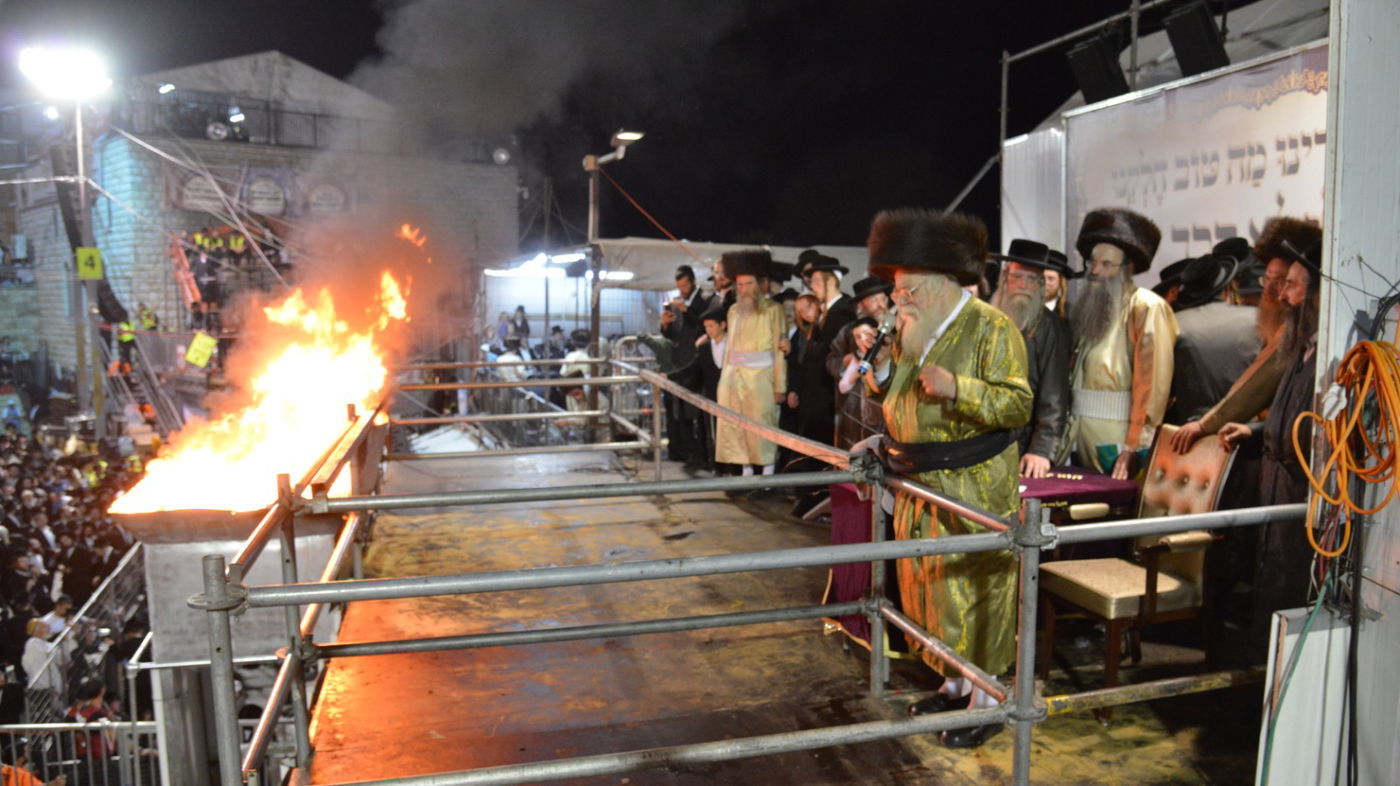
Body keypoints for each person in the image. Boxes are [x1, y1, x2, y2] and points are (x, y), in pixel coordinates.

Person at [861, 208, 1031, 748]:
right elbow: (889, 391)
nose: (898, 300)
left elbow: (1018, 404)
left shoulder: (992, 327)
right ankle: (953, 682)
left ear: (938, 284)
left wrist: (959, 388)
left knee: (976, 589)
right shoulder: (912, 329)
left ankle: (989, 697)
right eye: (896, 290)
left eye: (907, 290)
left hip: (972, 485)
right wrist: (879, 373)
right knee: (931, 587)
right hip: (917, 483)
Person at [1217, 233, 1323, 662]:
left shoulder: (1329, 356)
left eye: (1292, 286)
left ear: (1316, 295)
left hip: (1299, 495)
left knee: (1288, 586)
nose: (1283, 296)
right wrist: (1255, 431)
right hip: (1274, 486)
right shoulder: (1299, 347)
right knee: (1268, 582)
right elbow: (1287, 418)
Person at [1066, 207, 1178, 479]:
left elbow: (1153, 385)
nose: (1095, 271)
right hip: (1076, 435)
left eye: (1106, 264)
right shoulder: (1090, 306)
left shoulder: (1146, 306)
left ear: (1127, 268)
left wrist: (1134, 447)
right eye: (1092, 262)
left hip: (1116, 441)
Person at [990, 240, 1072, 478]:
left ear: (1040, 285)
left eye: (1032, 279)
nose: (1023, 285)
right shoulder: (987, 317)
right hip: (983, 442)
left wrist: (1042, 449)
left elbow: (1054, 393)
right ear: (1005, 277)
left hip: (1023, 444)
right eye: (1017, 277)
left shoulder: (1048, 326)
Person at [1165, 243, 1260, 425]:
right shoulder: (1256, 319)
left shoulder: (1173, 324)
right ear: (1227, 288)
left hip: (1189, 430)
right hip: (1247, 427)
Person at [713, 250, 786, 488]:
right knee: (738, 426)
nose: (744, 289)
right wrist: (724, 380)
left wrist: (780, 385)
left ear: (759, 284)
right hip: (734, 377)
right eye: (740, 284)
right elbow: (729, 348)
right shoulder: (733, 311)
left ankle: (767, 479)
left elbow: (779, 351)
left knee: (763, 426)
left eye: (748, 284)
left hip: (762, 378)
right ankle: (745, 475)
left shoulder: (774, 310)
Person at [660, 265, 712, 468]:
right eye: (679, 286)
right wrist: (665, 324)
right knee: (680, 409)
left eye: (684, 285)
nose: (682, 290)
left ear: (692, 282)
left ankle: (701, 453)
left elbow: (701, 325)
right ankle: (684, 450)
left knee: (696, 410)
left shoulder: (705, 299)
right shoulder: (676, 302)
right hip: (679, 360)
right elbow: (673, 335)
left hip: (697, 360)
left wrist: (686, 310)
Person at [670, 306, 729, 474]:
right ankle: (718, 467)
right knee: (713, 434)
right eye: (706, 327)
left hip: (732, 396)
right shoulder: (705, 348)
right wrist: (670, 376)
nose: (708, 330)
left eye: (711, 326)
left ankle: (735, 469)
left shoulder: (734, 345)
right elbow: (693, 368)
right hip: (712, 396)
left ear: (723, 325)